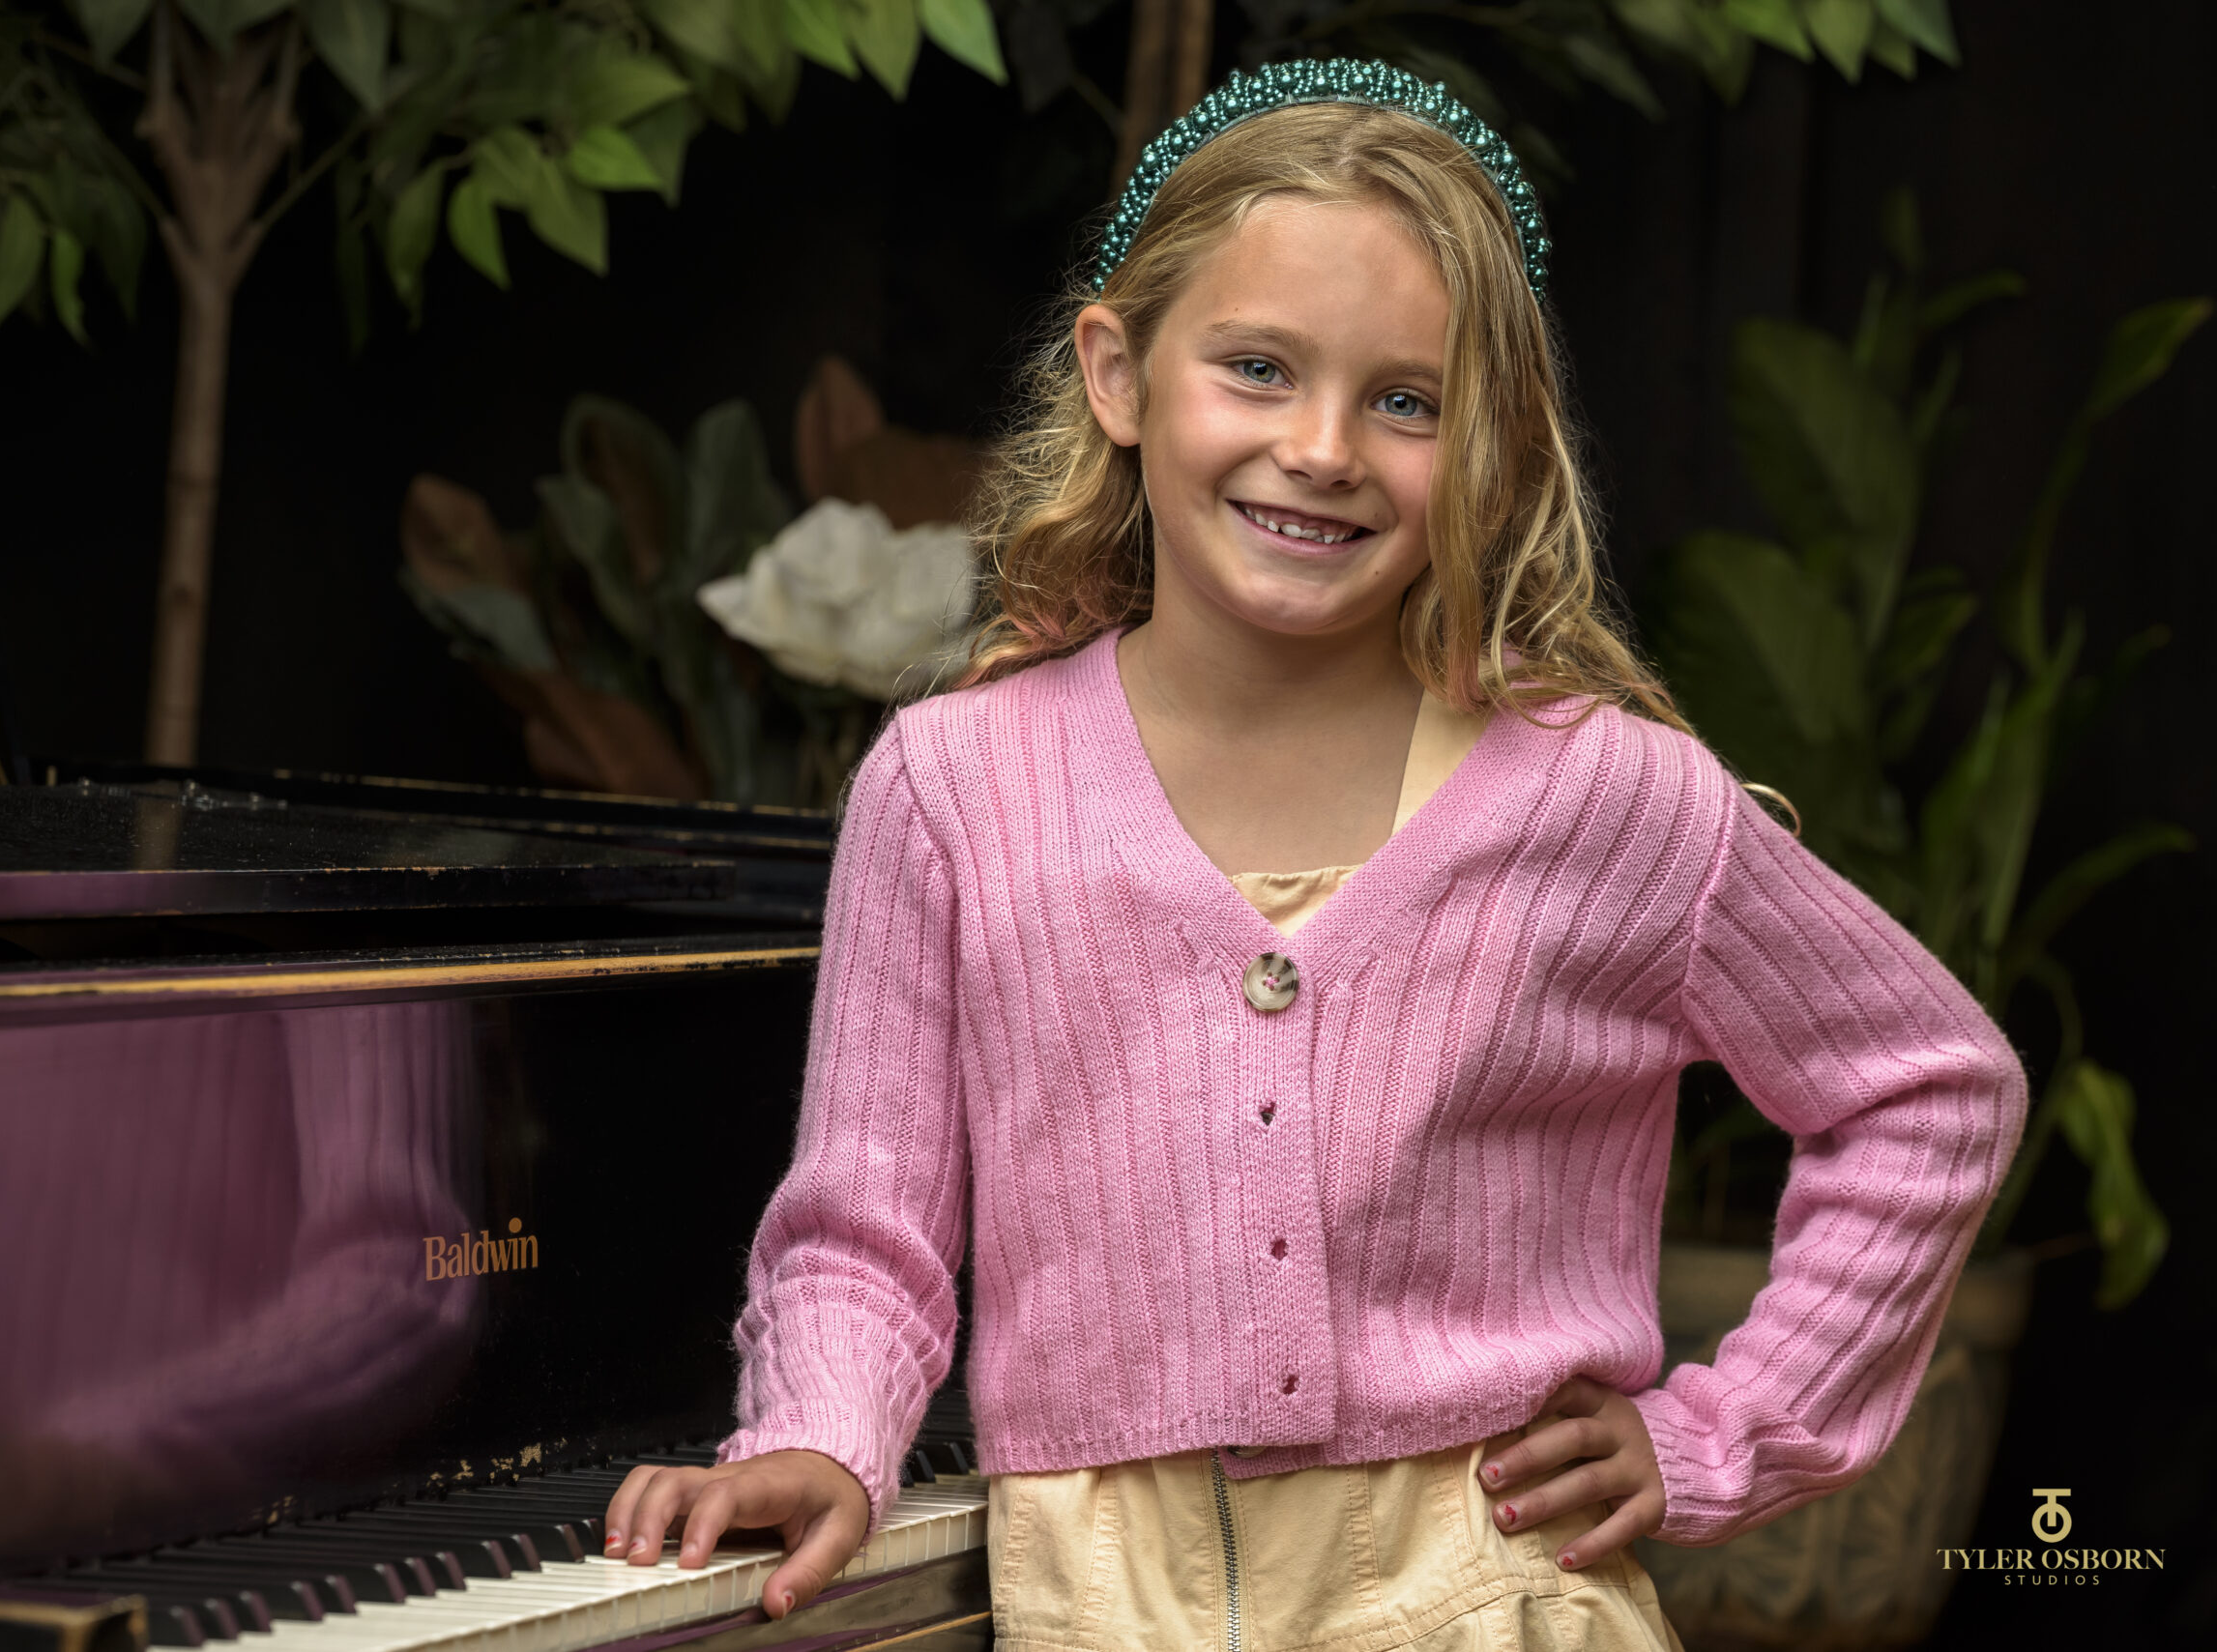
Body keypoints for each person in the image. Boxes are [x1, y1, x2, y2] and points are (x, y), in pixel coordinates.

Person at [605, 60, 2027, 1652]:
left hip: (1488, 1592)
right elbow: (869, 1223)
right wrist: (820, 1432)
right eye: (1260, 368)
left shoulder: (1611, 803)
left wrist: (1726, 1430)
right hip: (1099, 1608)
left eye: (1407, 399)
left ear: (1494, 438)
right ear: (1122, 374)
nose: (1326, 446)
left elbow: (1930, 1089)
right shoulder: (952, 788)